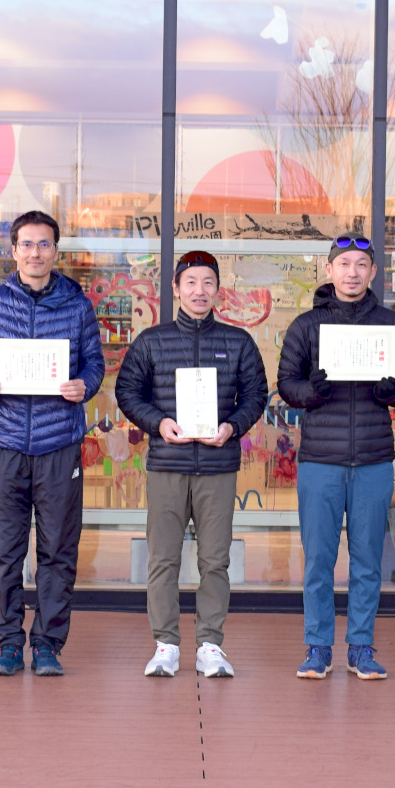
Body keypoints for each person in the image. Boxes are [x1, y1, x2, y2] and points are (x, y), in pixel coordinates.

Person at [0, 211, 104, 677]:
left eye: (44, 244)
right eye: (27, 244)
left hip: (59, 442)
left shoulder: (77, 306)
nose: (35, 252)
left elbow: (95, 363)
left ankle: (47, 645)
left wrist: (84, 384)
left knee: (58, 550)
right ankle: (6, 645)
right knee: (4, 551)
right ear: (14, 250)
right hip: (5, 442)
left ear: (55, 251)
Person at [114, 250, 268, 678]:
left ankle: (210, 645)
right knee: (163, 558)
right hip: (167, 463)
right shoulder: (152, 341)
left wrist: (232, 427)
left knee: (214, 560)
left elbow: (256, 395)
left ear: (218, 289)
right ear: (176, 288)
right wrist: (157, 423)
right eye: (191, 283)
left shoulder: (238, 342)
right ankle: (165, 644)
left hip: (217, 466)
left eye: (208, 283)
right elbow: (128, 392)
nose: (199, 291)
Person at [277, 236, 395, 680]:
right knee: (318, 560)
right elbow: (286, 384)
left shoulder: (391, 325)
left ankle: (361, 646)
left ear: (373, 272)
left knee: (367, 561)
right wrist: (311, 392)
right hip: (320, 459)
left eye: (361, 265)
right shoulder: (307, 326)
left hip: (373, 458)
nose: (352, 272)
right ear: (329, 270)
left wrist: (390, 391)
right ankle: (318, 647)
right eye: (344, 264)